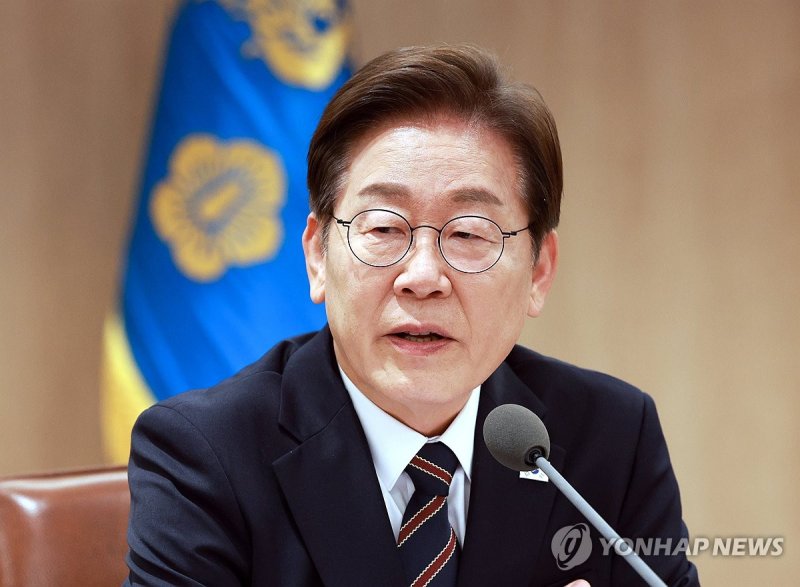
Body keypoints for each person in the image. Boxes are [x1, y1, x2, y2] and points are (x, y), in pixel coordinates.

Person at [125, 44, 699, 586]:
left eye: (470, 233)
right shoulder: (205, 454)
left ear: (539, 272)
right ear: (317, 256)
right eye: (383, 228)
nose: (423, 277)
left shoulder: (611, 438)